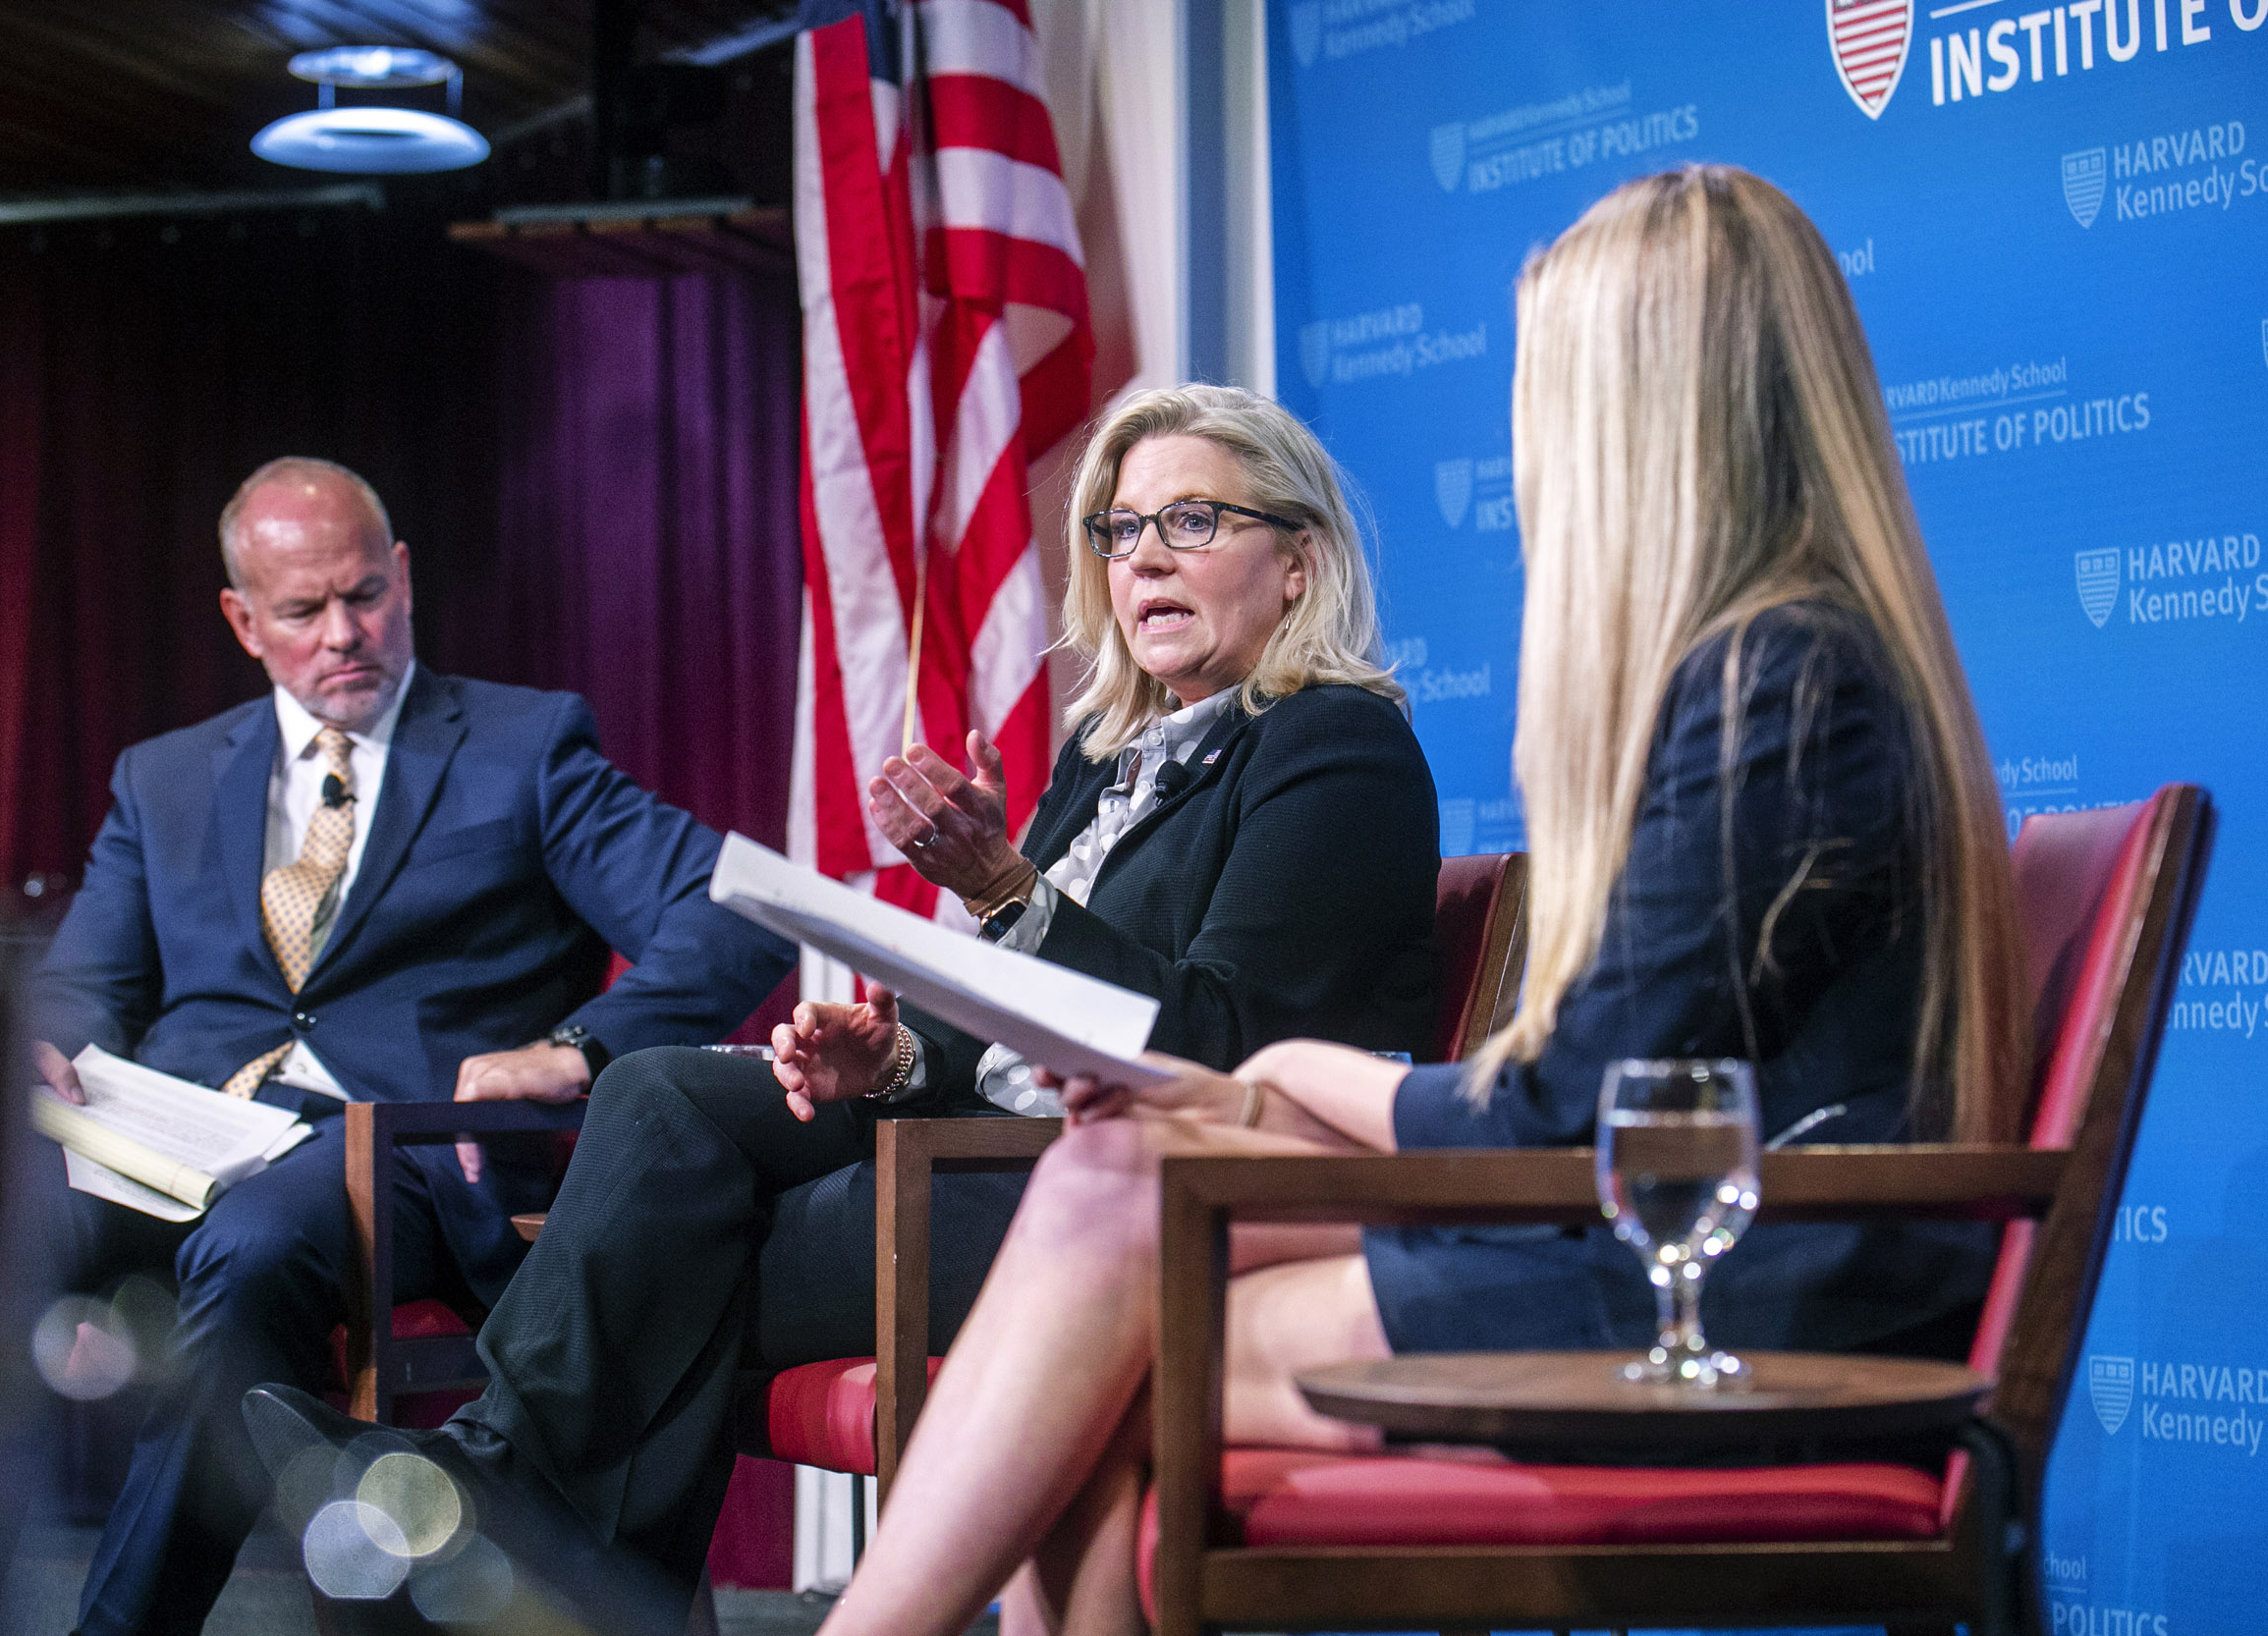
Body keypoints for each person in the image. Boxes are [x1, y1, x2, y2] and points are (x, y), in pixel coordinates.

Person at [809, 165, 2031, 1636]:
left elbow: (1563, 1104)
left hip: (1753, 1278)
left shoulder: (1778, 679)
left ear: (1642, 411)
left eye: (1552, 389)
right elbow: (1592, 1085)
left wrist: (1279, 1078)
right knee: (1115, 1178)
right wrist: (1242, 1109)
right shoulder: (1778, 659)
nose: (1533, 446)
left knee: (1110, 1354)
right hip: (1662, 1231)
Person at [246, 384, 1444, 1631]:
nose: (1141, 555)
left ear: (1297, 564)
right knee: (656, 1094)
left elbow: (1215, 1041)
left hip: (1142, 1188)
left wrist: (1004, 888)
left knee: (665, 1265)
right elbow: (1015, 1020)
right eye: (1118, 528)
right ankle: (515, 1522)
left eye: (1189, 521)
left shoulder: (1332, 748)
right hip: (1001, 1139)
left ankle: (488, 1506)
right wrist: (891, 1060)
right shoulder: (1108, 758)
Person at [28, 457, 796, 1636]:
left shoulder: (521, 749)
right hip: (173, 1138)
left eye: (365, 596)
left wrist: (577, 1047)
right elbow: (86, 983)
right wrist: (46, 1045)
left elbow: (731, 909)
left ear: (403, 577)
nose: (345, 633)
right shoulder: (167, 778)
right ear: (242, 620)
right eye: (302, 611)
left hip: (399, 1155)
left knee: (254, 1251)